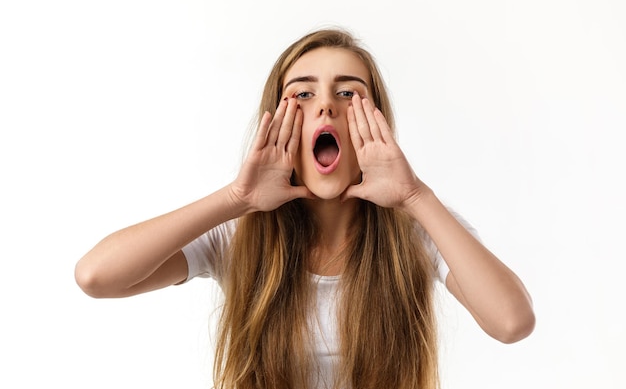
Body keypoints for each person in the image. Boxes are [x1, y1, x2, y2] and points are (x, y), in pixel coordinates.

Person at [75, 28, 535, 389]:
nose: (326, 108)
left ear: (377, 123)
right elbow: (96, 276)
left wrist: (417, 197)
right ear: (275, 122)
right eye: (304, 93)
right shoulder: (238, 234)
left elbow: (513, 322)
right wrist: (235, 199)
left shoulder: (416, 230)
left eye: (348, 93)